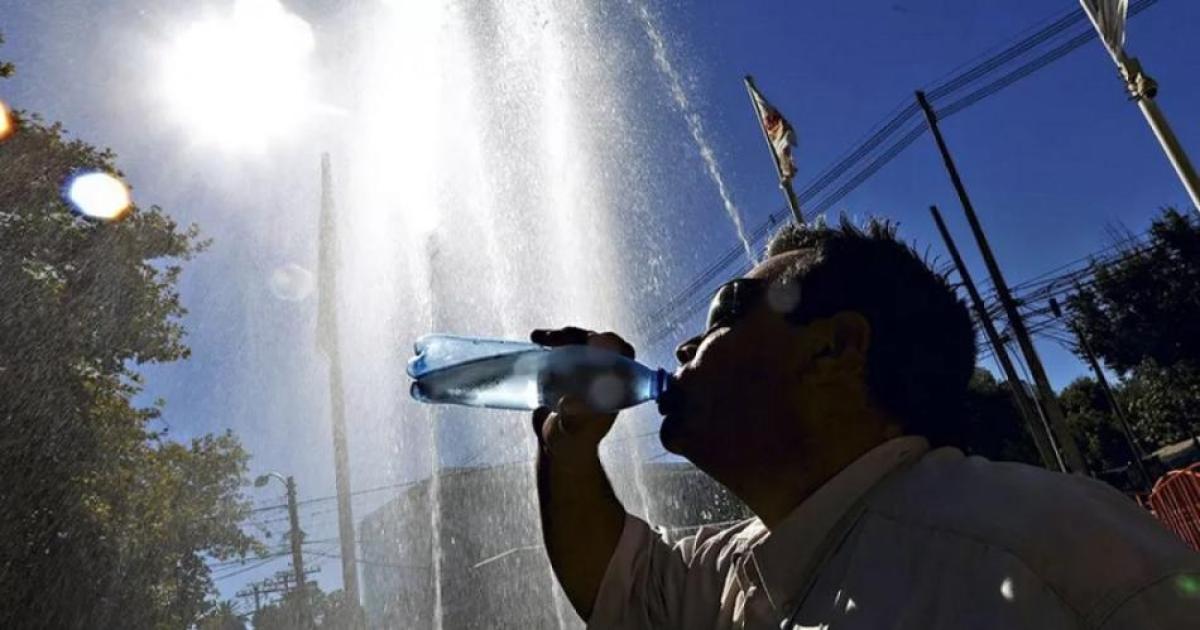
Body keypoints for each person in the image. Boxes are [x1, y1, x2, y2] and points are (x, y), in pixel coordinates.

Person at [530, 217, 1200, 629]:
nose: (685, 348)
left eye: (727, 307)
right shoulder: (752, 564)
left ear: (835, 347)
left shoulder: (1041, 544)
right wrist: (565, 446)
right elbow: (622, 587)